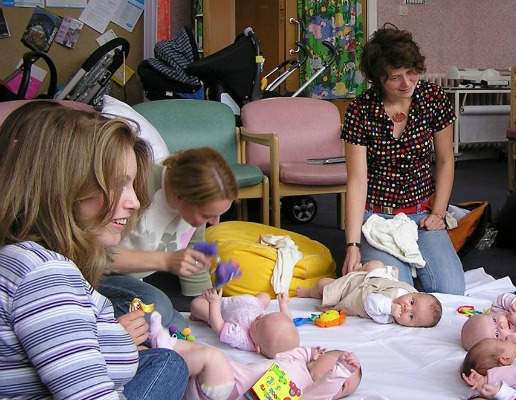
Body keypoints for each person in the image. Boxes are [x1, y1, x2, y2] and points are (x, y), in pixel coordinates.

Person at [0, 101, 188, 399]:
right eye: (118, 184)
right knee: (168, 364)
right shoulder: (45, 273)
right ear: (64, 185)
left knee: (165, 360)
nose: (135, 202)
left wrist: (113, 339)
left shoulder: (25, 257)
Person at [340, 24, 465, 295]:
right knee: (399, 295)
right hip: (378, 217)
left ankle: (409, 265)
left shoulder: (432, 98)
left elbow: (445, 160)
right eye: (395, 77)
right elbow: (357, 180)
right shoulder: (360, 111)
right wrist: (352, 245)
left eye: (412, 73)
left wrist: (439, 213)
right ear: (378, 79)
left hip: (421, 214)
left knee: (451, 291)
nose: (407, 83)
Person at [99, 147, 239, 330]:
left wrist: (211, 307)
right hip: (95, 277)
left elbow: (195, 256)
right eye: (207, 215)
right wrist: (165, 261)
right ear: (180, 196)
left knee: (178, 326)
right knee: (159, 307)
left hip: (130, 282)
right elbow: (97, 255)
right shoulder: (140, 187)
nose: (215, 222)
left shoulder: (193, 205)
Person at [149, 312, 362, 400]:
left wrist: (340, 372)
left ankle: (166, 350)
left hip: (227, 392)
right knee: (203, 351)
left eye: (343, 387)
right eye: (337, 364)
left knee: (212, 358)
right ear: (321, 354)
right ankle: (168, 346)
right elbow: (288, 348)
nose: (338, 379)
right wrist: (311, 353)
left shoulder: (308, 391)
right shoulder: (293, 360)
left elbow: (323, 390)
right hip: (212, 383)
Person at [296, 259, 443, 327]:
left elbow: (371, 301)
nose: (406, 308)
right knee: (376, 264)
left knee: (323, 285)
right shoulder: (410, 291)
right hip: (371, 279)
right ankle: (358, 271)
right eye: (412, 302)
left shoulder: (386, 316)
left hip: (351, 292)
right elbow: (392, 282)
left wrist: (389, 307)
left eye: (411, 316)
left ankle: (309, 293)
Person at [189, 289, 299, 357]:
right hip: (250, 305)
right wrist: (283, 304)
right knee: (265, 297)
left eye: (258, 324)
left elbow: (218, 326)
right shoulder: (262, 324)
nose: (260, 316)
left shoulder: (242, 338)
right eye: (265, 316)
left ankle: (202, 317)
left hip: (222, 311)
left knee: (196, 304)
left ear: (257, 347)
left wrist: (215, 303)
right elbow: (288, 320)